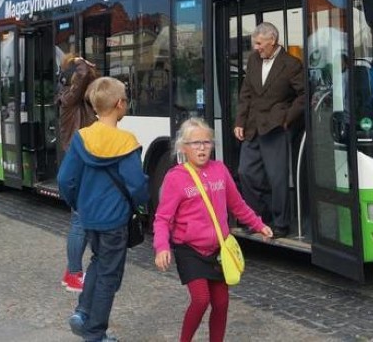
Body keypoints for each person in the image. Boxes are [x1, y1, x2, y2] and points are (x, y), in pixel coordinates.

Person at [154, 118, 273, 342]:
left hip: (218, 248)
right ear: (183, 147)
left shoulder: (220, 170)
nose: (201, 147)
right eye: (195, 143)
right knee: (200, 299)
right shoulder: (175, 178)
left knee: (222, 303)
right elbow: (162, 219)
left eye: (206, 142)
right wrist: (161, 247)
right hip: (189, 249)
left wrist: (259, 225)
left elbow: (237, 205)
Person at [57, 77, 148, 342]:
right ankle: (95, 333)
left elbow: (65, 180)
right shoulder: (126, 142)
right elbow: (136, 185)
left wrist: (77, 202)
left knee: (98, 261)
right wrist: (141, 205)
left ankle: (83, 311)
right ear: (120, 104)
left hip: (89, 217)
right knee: (109, 274)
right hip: (114, 220)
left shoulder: (82, 137)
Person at [233, 22, 304, 239]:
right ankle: (257, 218)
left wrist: (286, 119)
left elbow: (303, 95)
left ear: (272, 40)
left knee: (277, 177)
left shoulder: (291, 64)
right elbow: (246, 94)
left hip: (275, 127)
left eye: (259, 43)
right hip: (253, 127)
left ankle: (281, 223)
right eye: (255, 43)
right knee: (245, 172)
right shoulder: (253, 60)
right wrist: (239, 122)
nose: (256, 47)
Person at [58, 54, 98, 293]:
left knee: (82, 218)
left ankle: (71, 271)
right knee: (80, 219)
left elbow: (99, 88)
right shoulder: (69, 101)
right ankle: (73, 273)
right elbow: (83, 77)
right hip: (80, 163)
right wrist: (79, 62)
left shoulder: (82, 102)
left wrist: (90, 69)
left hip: (85, 162)